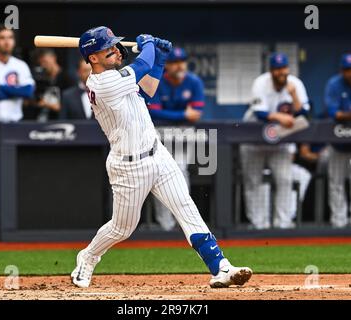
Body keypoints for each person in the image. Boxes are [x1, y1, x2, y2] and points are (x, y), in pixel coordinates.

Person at [71, 26, 252, 289]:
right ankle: (88, 256)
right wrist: (149, 47)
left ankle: (221, 268)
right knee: (122, 228)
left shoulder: (118, 77)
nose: (114, 49)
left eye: (114, 45)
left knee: (186, 208)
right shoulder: (103, 82)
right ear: (93, 58)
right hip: (128, 166)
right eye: (106, 47)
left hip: (158, 154)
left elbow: (148, 91)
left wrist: (161, 58)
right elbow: (142, 64)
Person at [240, 53, 310, 229]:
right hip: (254, 139)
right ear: (271, 70)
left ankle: (283, 224)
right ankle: (258, 223)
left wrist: (294, 96)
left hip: (281, 141)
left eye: (284, 68)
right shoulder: (261, 83)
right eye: (277, 69)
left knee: (285, 179)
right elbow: (259, 113)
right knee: (253, 181)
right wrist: (279, 117)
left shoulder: (296, 84)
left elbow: (305, 114)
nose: (281, 72)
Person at [147, 47, 205, 231]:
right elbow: (153, 112)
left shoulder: (193, 81)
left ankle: (184, 222)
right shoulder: (156, 81)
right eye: (174, 63)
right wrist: (181, 113)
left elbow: (195, 114)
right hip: (157, 134)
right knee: (158, 176)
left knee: (180, 172)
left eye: (182, 62)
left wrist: (172, 115)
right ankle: (165, 224)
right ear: (167, 65)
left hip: (181, 135)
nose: (179, 66)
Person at [324, 53, 351, 228]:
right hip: (338, 142)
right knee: (336, 183)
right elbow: (334, 113)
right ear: (342, 70)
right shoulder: (334, 84)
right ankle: (339, 220)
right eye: (348, 70)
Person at [27, 49, 75, 121]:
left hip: (60, 119)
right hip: (41, 118)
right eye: (41, 63)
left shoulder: (67, 78)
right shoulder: (41, 79)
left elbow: (73, 104)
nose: (43, 65)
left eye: (45, 62)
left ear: (53, 58)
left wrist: (51, 105)